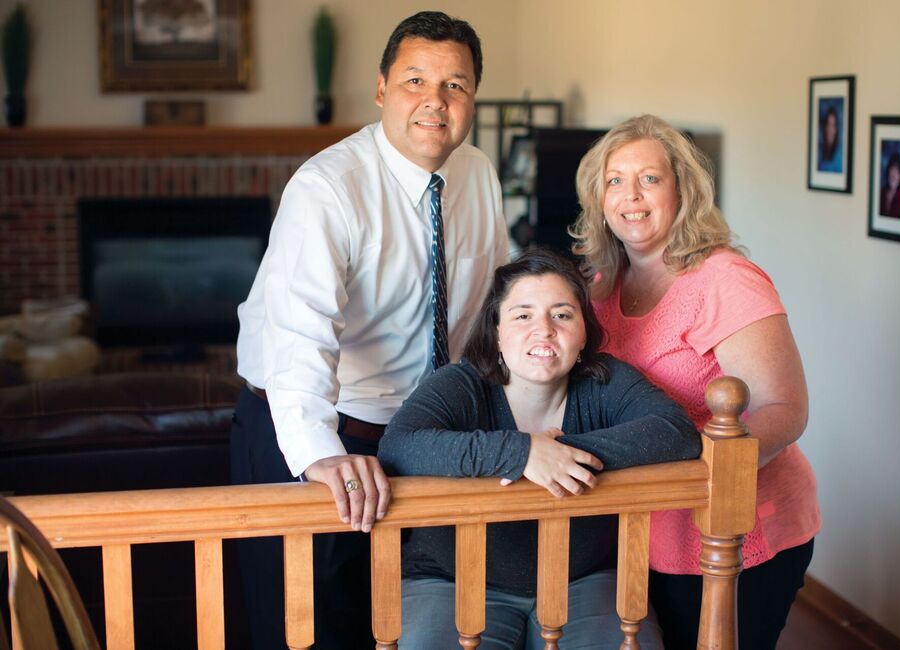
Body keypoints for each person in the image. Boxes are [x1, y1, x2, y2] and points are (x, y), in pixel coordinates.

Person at [232, 11, 509, 648]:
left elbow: (492, 308)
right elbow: (299, 334)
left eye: (456, 86)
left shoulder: (480, 176)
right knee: (309, 629)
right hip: (310, 426)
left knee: (408, 620)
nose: (434, 102)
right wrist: (320, 455)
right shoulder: (327, 188)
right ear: (382, 88)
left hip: (425, 436)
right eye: (415, 80)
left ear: (472, 99)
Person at [570, 114, 821, 650]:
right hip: (643, 531)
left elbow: (785, 407)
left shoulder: (723, 278)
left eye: (650, 179)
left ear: (682, 191)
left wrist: (704, 475)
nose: (630, 196)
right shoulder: (599, 288)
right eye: (615, 180)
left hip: (738, 528)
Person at [378, 250, 701, 649]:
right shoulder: (460, 383)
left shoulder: (606, 380)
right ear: (496, 331)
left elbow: (677, 432)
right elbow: (399, 447)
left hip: (584, 579)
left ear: (583, 332)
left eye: (562, 314)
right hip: (453, 579)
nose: (544, 330)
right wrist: (523, 453)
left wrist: (559, 452)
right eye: (523, 315)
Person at [879, 150, 900, 218]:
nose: (894, 176)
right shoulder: (880, 193)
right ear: (888, 172)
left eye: (897, 172)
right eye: (892, 169)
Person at [817, 105, 842, 173]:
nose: (830, 130)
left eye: (833, 125)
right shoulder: (819, 152)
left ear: (836, 130)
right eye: (828, 124)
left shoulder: (839, 156)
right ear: (825, 127)